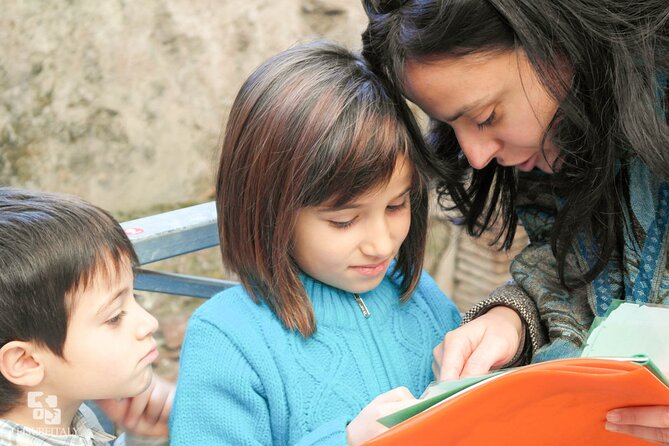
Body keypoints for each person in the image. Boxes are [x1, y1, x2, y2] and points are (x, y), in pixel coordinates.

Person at [362, 0, 669, 443]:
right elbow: (579, 275)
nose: (477, 156)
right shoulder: (555, 144)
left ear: (555, 38)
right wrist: (516, 320)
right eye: (452, 127)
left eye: (486, 117)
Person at [169, 41, 462, 445]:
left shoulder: (419, 295)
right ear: (271, 211)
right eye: (343, 221)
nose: (380, 245)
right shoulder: (226, 340)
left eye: (396, 205)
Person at [0, 187, 175, 445]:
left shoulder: (61, 417)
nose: (149, 323)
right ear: (26, 361)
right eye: (115, 317)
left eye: (134, 297)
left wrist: (143, 439)